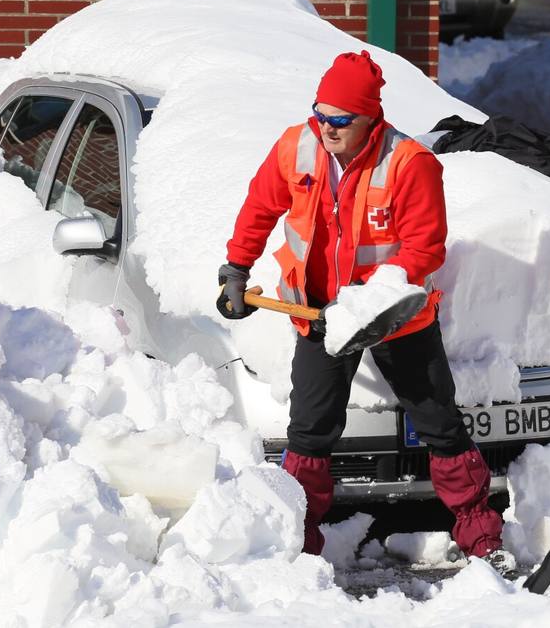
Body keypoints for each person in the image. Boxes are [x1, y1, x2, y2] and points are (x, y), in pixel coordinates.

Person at [216, 50, 514, 574]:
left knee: (439, 424)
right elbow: (260, 208)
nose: (326, 127)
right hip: (317, 313)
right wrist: (236, 270)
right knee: (310, 433)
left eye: (340, 120)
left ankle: (481, 536)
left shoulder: (408, 163)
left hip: (394, 314)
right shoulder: (295, 147)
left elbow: (425, 246)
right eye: (320, 114)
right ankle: (300, 544)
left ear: (369, 118)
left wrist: (376, 297)